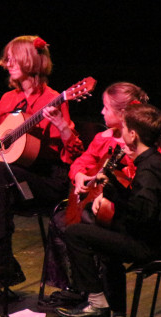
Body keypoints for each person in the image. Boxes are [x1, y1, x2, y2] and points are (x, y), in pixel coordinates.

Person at [0, 35, 84, 291]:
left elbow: (74, 156)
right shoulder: (10, 99)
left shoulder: (53, 100)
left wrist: (62, 126)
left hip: (44, 183)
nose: (7, 63)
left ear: (31, 61)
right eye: (7, 58)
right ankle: (1, 264)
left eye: (13, 58)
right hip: (9, 182)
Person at [56, 102, 161, 317]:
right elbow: (140, 206)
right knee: (102, 237)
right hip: (151, 239)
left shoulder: (149, 169)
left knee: (74, 233)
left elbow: (143, 215)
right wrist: (113, 188)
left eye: (123, 129)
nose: (120, 134)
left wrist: (115, 198)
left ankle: (97, 303)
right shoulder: (149, 161)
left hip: (150, 246)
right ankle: (116, 316)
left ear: (133, 135)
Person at [42, 82, 148, 303]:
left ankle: (95, 291)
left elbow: (137, 184)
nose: (101, 112)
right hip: (100, 205)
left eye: (106, 108)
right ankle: (77, 286)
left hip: (125, 215)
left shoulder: (141, 146)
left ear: (123, 114)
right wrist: (79, 176)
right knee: (61, 219)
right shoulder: (104, 138)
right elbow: (80, 162)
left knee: (82, 225)